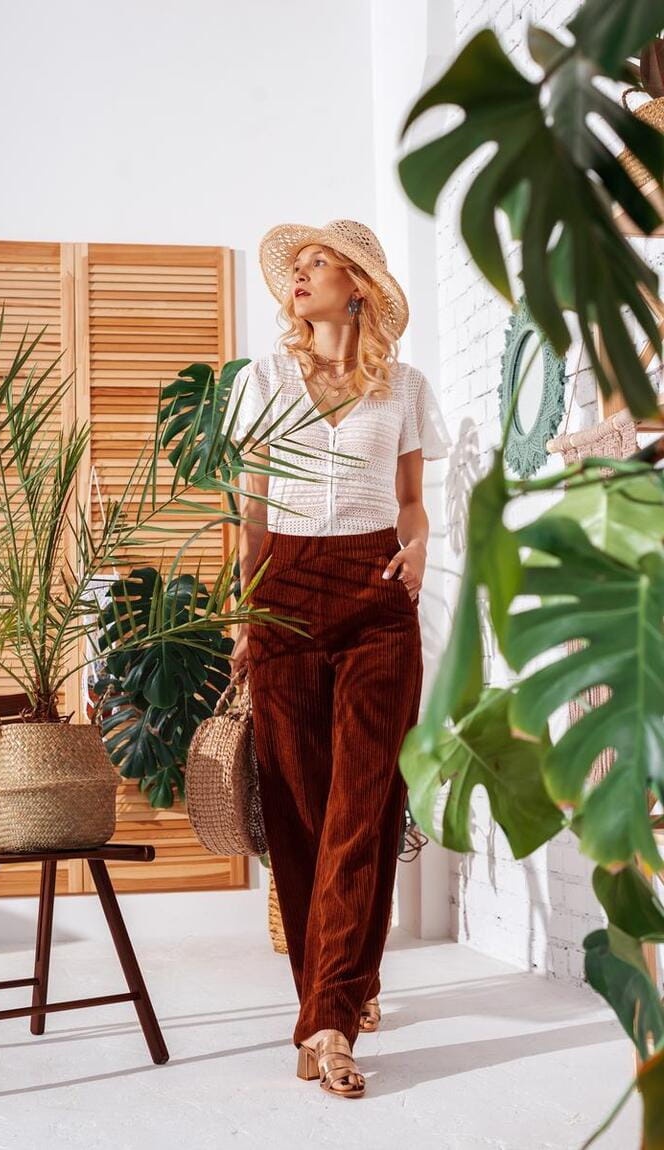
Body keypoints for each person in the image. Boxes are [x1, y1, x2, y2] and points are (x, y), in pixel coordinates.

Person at [224, 219, 452, 1098]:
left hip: (375, 594)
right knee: (297, 808)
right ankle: (338, 994)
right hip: (283, 589)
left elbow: (410, 502)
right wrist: (242, 615)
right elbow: (250, 511)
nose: (301, 274)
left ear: (358, 285)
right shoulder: (264, 378)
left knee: (366, 804)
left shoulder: (405, 386)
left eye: (320, 263)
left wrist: (418, 548)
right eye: (297, 265)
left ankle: (328, 1027)